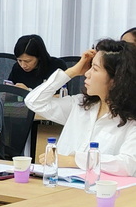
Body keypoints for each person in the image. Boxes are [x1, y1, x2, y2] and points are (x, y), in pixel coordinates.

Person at [25, 38, 136, 175]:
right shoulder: (80, 105)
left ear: (116, 79)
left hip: (99, 187)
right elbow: (33, 101)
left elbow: (128, 164)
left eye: (95, 69)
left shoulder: (131, 120)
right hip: (58, 183)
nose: (87, 74)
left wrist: (74, 160)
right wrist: (71, 72)